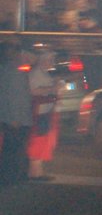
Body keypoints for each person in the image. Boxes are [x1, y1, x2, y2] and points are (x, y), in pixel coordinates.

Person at [26, 47, 60, 181]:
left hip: (45, 112)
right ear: (43, 60)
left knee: (42, 141)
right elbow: (33, 91)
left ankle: (37, 173)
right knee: (38, 142)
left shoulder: (44, 74)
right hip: (39, 113)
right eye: (50, 59)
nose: (53, 62)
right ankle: (35, 174)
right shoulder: (36, 74)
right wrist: (53, 89)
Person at [0, 43, 32, 187]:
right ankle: (11, 177)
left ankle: (10, 176)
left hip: (10, 118)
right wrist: (15, 118)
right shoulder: (15, 74)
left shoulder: (6, 71)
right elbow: (15, 98)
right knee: (14, 149)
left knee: (10, 149)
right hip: (17, 119)